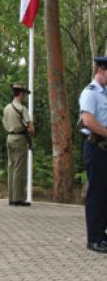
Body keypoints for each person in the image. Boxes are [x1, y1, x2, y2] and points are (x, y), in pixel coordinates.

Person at [79, 57, 107, 254]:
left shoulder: (105, 93)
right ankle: (94, 239)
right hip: (96, 148)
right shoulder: (90, 92)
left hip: (105, 148)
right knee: (97, 194)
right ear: (102, 70)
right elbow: (87, 120)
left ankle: (102, 235)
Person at [2, 82, 35, 207]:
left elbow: (4, 124)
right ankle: (18, 198)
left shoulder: (7, 108)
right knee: (19, 169)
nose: (24, 96)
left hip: (9, 137)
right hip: (20, 139)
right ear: (20, 94)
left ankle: (11, 197)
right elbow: (31, 128)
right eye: (24, 94)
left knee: (11, 167)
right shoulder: (22, 109)